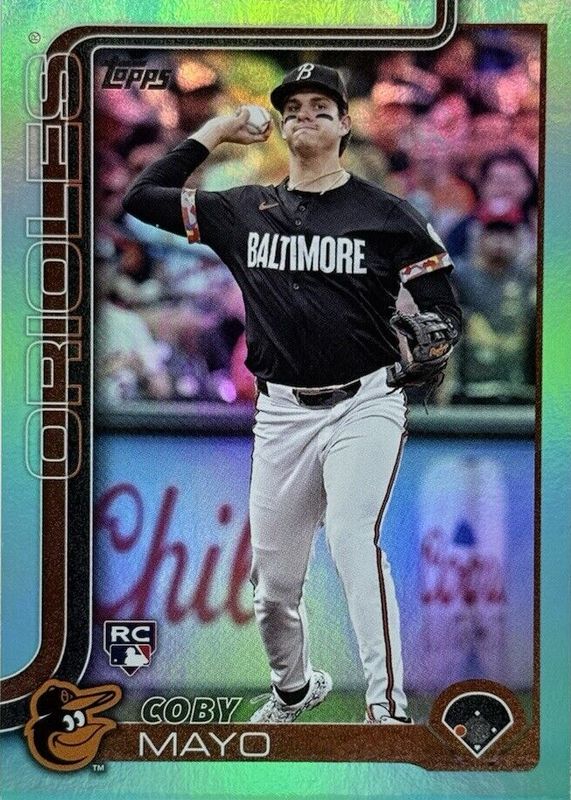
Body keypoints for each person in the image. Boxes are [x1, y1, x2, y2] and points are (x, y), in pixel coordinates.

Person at [123, 63, 462, 724]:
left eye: (320, 105)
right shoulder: (241, 211)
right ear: (281, 124)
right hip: (280, 411)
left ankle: (385, 709)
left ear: (344, 123)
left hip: (365, 401)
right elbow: (142, 196)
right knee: (273, 589)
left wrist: (431, 338)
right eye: (294, 106)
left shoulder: (386, 213)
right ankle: (292, 689)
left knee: (352, 539)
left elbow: (442, 308)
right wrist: (217, 129)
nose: (305, 114)